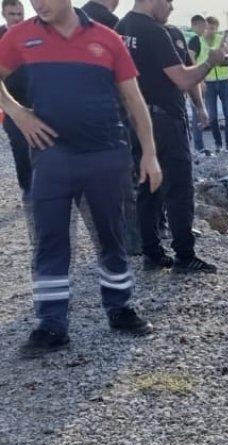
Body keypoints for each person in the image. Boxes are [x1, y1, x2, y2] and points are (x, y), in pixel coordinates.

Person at [0, 0, 162, 356]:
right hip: (52, 158)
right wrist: (17, 113)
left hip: (106, 156)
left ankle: (120, 309)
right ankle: (52, 325)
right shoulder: (19, 36)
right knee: (51, 241)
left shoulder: (106, 38)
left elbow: (134, 100)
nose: (38, 3)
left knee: (111, 236)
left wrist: (149, 154)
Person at [117, 0, 225, 273]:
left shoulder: (121, 28)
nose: (171, 8)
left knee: (148, 188)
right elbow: (183, 79)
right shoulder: (153, 31)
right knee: (178, 188)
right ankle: (185, 255)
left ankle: (152, 254)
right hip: (164, 119)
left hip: (136, 120)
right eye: (168, 2)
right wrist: (211, 61)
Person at [1, 0, 30, 200]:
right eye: (12, 14)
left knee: (43, 146)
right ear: (3, 14)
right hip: (9, 104)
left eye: (20, 14)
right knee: (19, 145)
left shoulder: (31, 34)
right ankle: (27, 187)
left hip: (36, 100)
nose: (17, 18)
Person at [201, 15, 228, 153]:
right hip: (208, 83)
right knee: (213, 117)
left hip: (224, 81)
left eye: (215, 29)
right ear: (205, 27)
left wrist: (224, 59)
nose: (212, 31)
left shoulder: (222, 39)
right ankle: (218, 145)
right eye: (210, 28)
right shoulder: (199, 41)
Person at [176, 17, 207, 156]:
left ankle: (193, 146)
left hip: (179, 76)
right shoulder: (193, 37)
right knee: (195, 113)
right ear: (195, 24)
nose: (204, 30)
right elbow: (191, 60)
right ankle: (198, 147)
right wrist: (198, 79)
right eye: (202, 27)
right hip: (188, 78)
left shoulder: (182, 32)